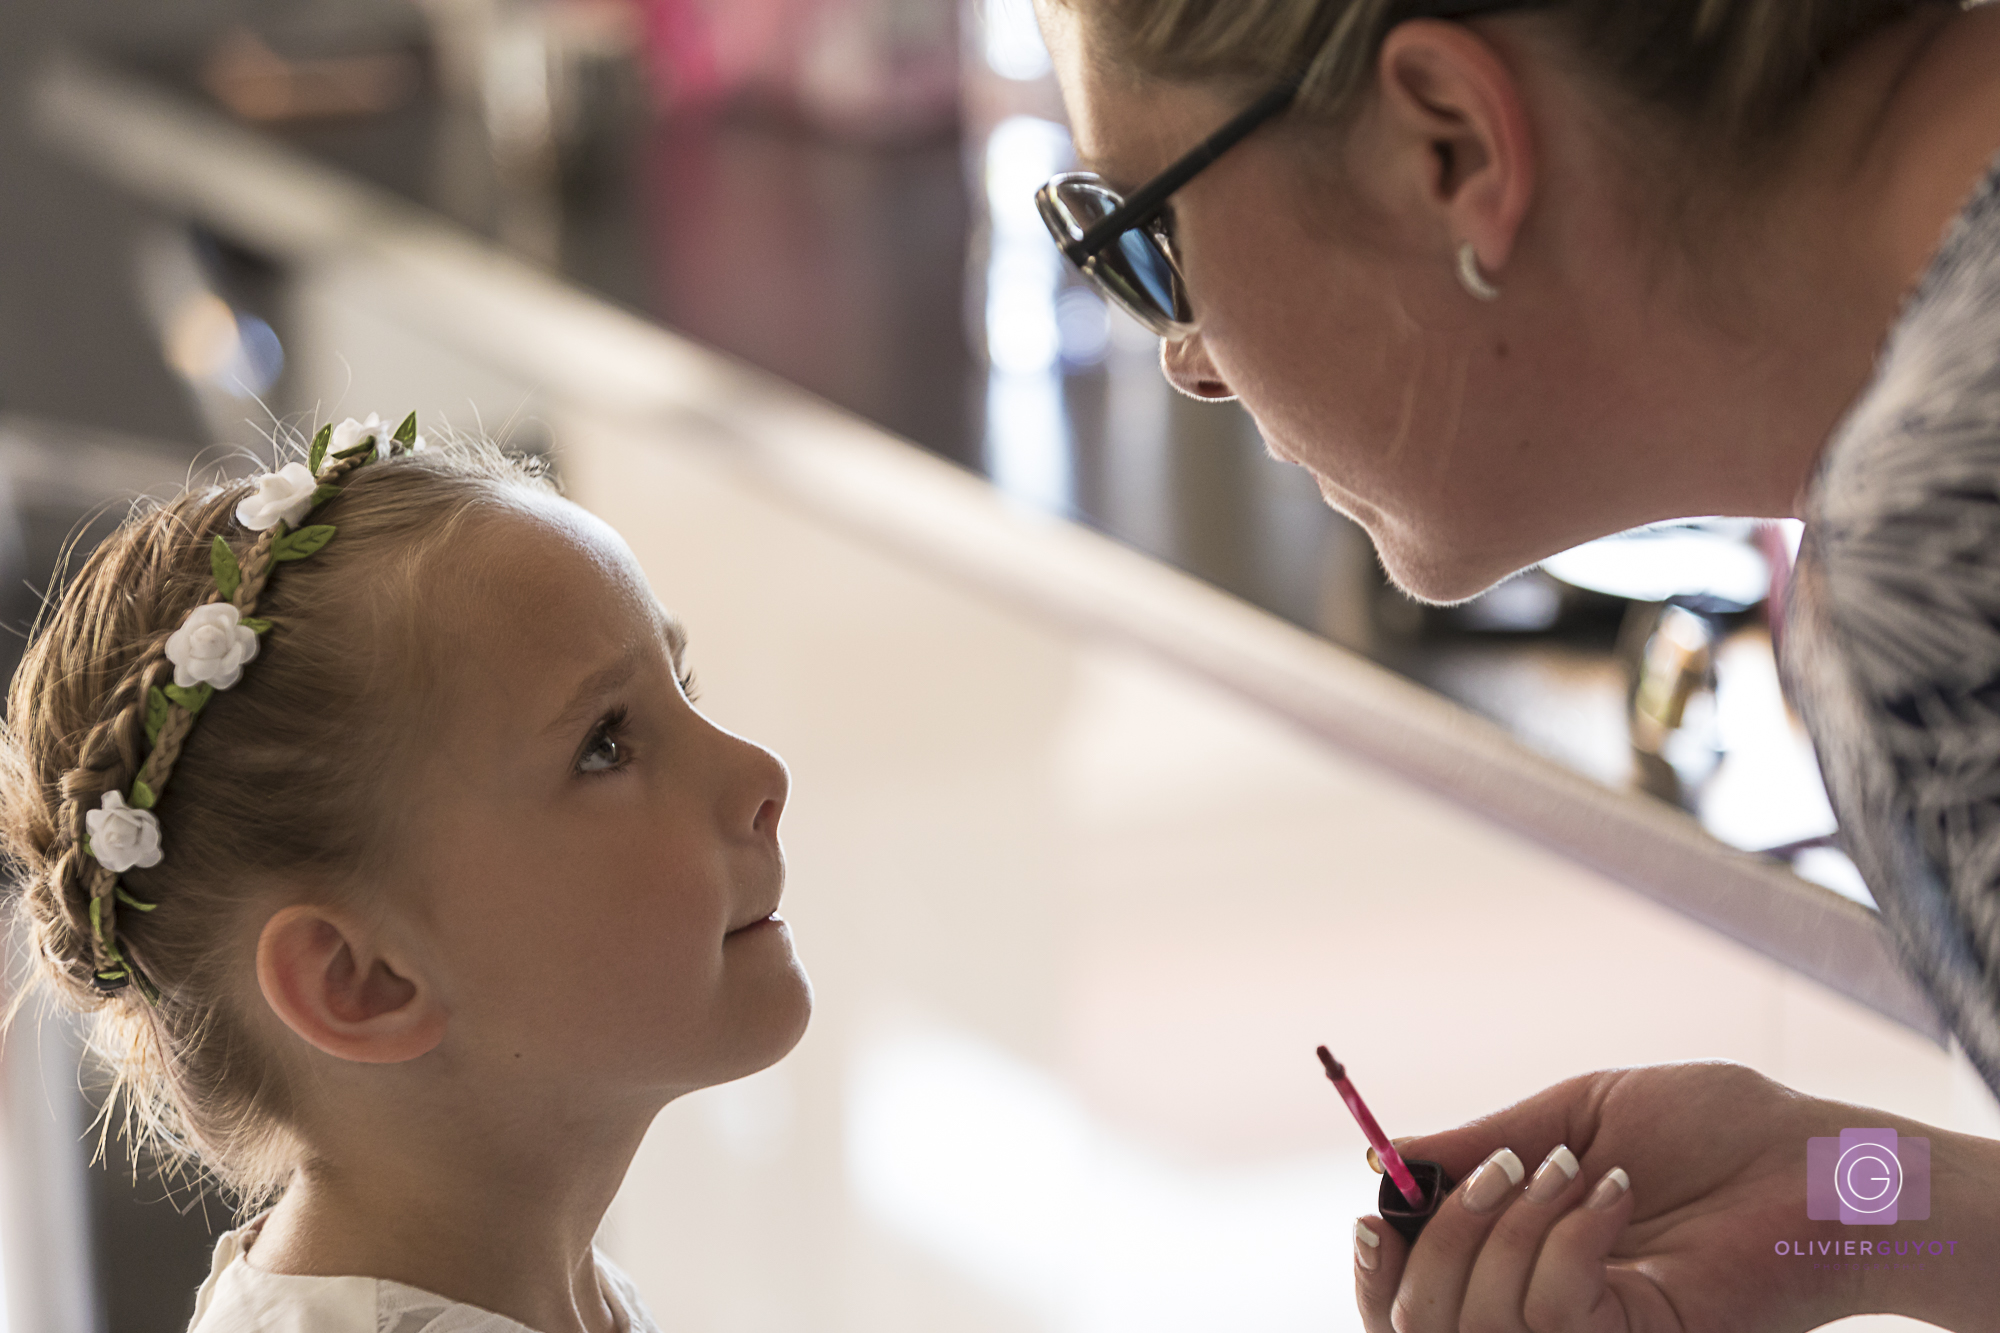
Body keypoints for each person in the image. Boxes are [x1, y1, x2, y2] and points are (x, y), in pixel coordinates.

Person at [1033, 0, 2000, 1326]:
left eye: (1150, 239)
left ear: (1449, 149)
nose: (1186, 361)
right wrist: (1851, 1204)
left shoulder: (1946, 545)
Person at [0, 418, 809, 1332]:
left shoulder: (524, 1282)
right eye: (607, 745)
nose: (761, 773)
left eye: (684, 683)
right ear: (361, 979)